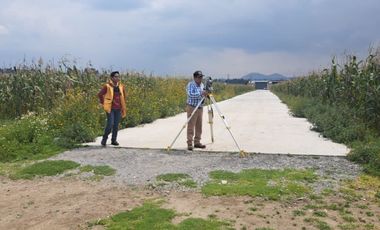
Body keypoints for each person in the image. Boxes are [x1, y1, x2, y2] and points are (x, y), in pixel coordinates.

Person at [98, 71, 127, 146]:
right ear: (111, 77)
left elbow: (123, 96)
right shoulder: (107, 86)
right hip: (110, 108)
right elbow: (100, 94)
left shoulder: (121, 86)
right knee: (110, 124)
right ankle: (104, 139)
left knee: (116, 125)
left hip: (118, 108)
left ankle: (114, 140)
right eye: (116, 76)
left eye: (118, 76)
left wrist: (123, 106)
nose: (117, 78)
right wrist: (103, 103)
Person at [186, 70, 209, 150]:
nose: (201, 79)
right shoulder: (191, 84)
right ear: (195, 77)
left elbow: (204, 95)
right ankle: (189, 143)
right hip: (192, 107)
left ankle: (197, 142)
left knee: (199, 126)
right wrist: (201, 94)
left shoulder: (202, 85)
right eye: (199, 77)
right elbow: (190, 94)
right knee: (191, 126)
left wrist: (206, 94)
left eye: (201, 77)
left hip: (200, 107)